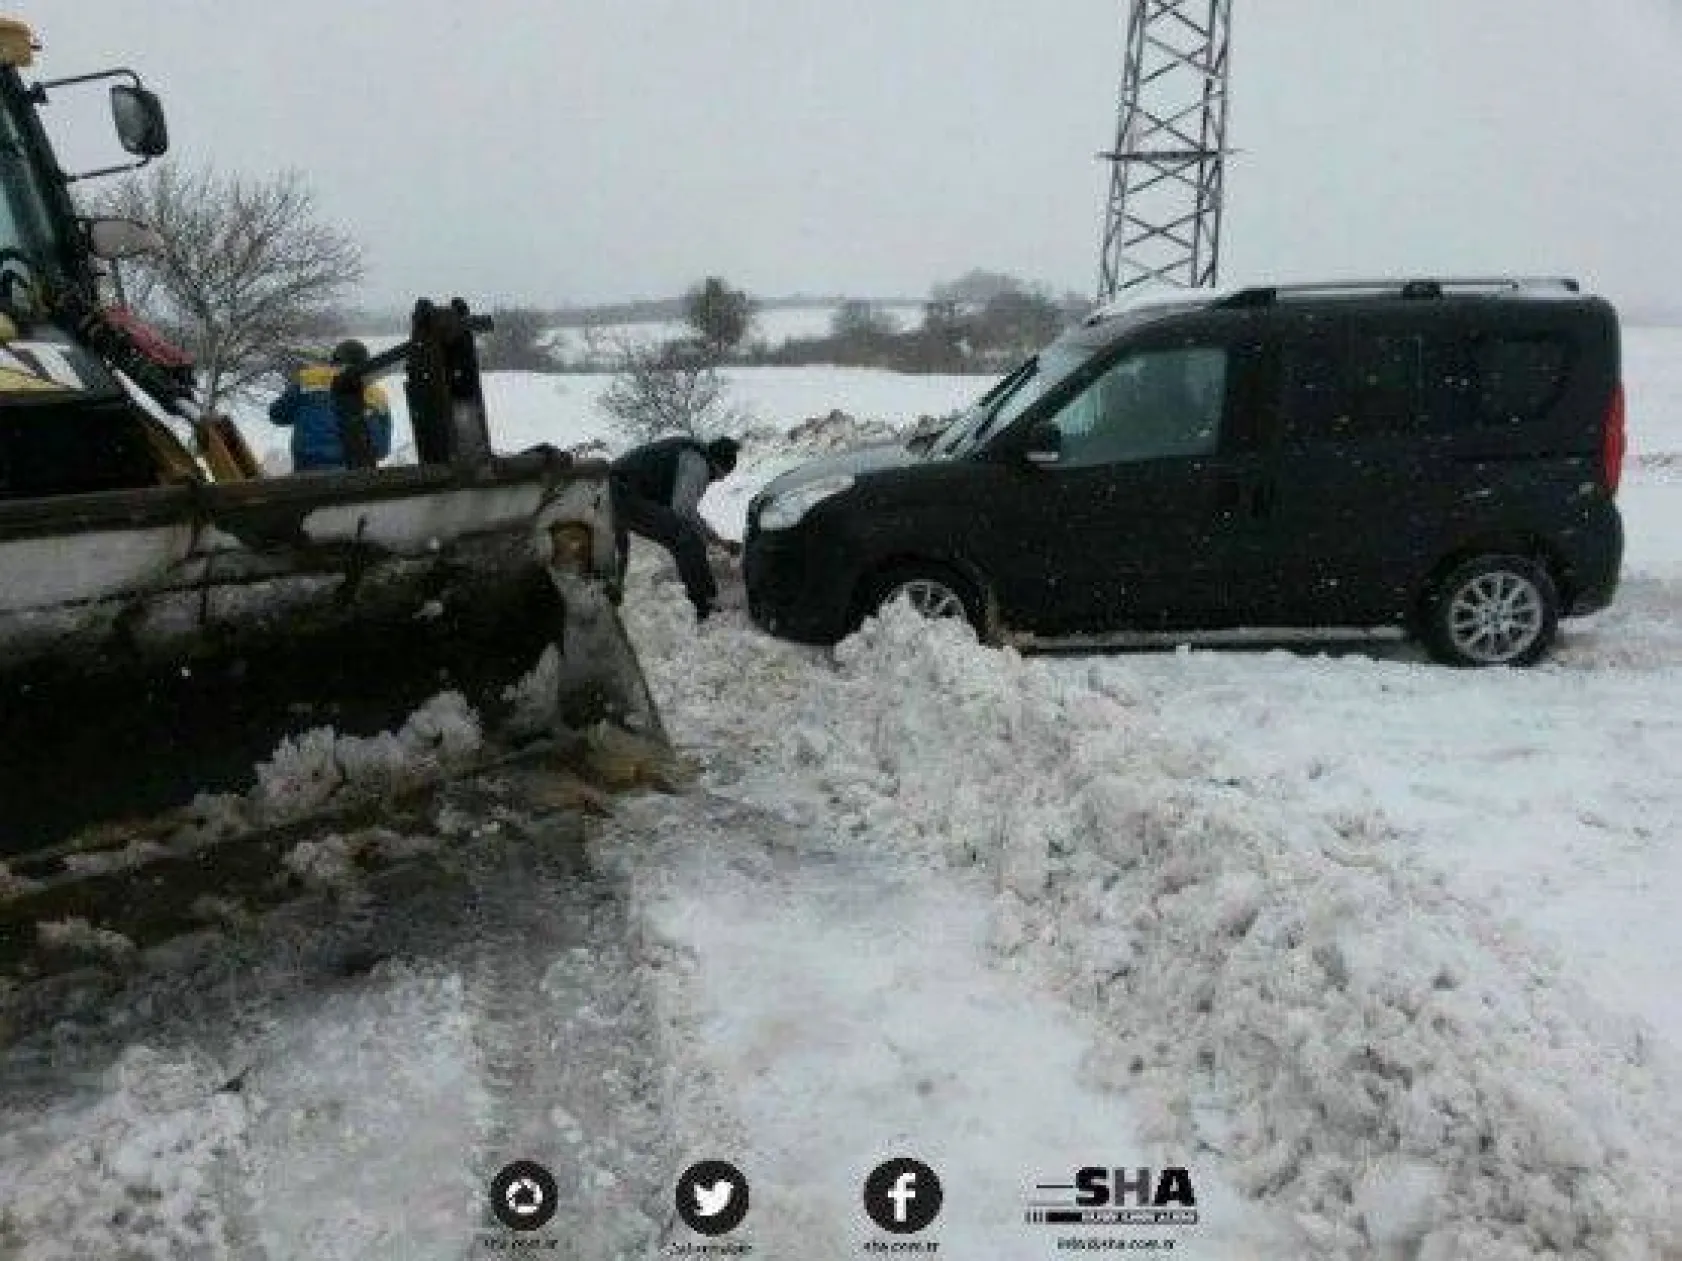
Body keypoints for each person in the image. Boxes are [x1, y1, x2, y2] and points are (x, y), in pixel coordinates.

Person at [610, 435, 741, 621]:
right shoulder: (698, 464)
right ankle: (704, 603)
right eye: (717, 477)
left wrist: (716, 540)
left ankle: (705, 596)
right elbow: (683, 511)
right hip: (621, 492)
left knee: (681, 535)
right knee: (686, 538)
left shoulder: (691, 453)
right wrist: (716, 540)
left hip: (620, 490)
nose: (711, 481)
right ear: (717, 465)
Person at [268, 339, 393, 472]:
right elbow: (383, 449)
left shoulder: (308, 380)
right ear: (365, 364)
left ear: (334, 360)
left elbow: (277, 414)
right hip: (359, 474)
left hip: (309, 470)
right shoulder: (377, 395)